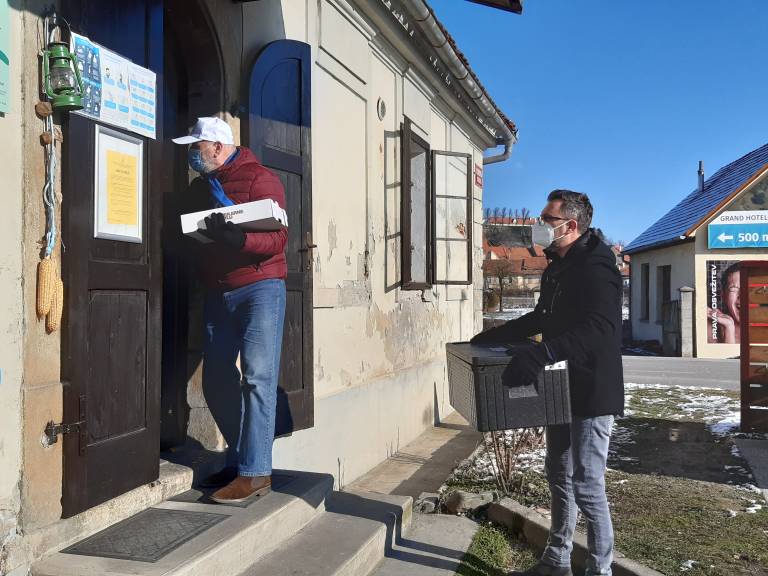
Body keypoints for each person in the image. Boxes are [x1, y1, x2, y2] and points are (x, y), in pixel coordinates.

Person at [472, 190, 624, 576]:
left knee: (587, 484)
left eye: (547, 219)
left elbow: (601, 328)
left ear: (570, 225)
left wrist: (542, 354)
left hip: (593, 388)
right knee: (559, 475)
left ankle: (600, 570)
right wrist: (494, 335)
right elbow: (544, 316)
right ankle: (557, 561)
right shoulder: (558, 264)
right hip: (561, 387)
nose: (539, 225)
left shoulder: (597, 264)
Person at [172, 117, 288, 504]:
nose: (192, 155)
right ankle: (241, 459)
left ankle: (256, 473)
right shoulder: (202, 187)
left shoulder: (260, 179)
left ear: (218, 148)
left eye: (197, 147)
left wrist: (239, 239)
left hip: (260, 289)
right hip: (219, 291)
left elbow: (279, 237)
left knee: (257, 378)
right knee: (216, 379)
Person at [707, 262, 740, 344]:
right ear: (723, 295)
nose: (742, 297)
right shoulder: (710, 330)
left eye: (750, 289)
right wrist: (729, 327)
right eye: (733, 289)